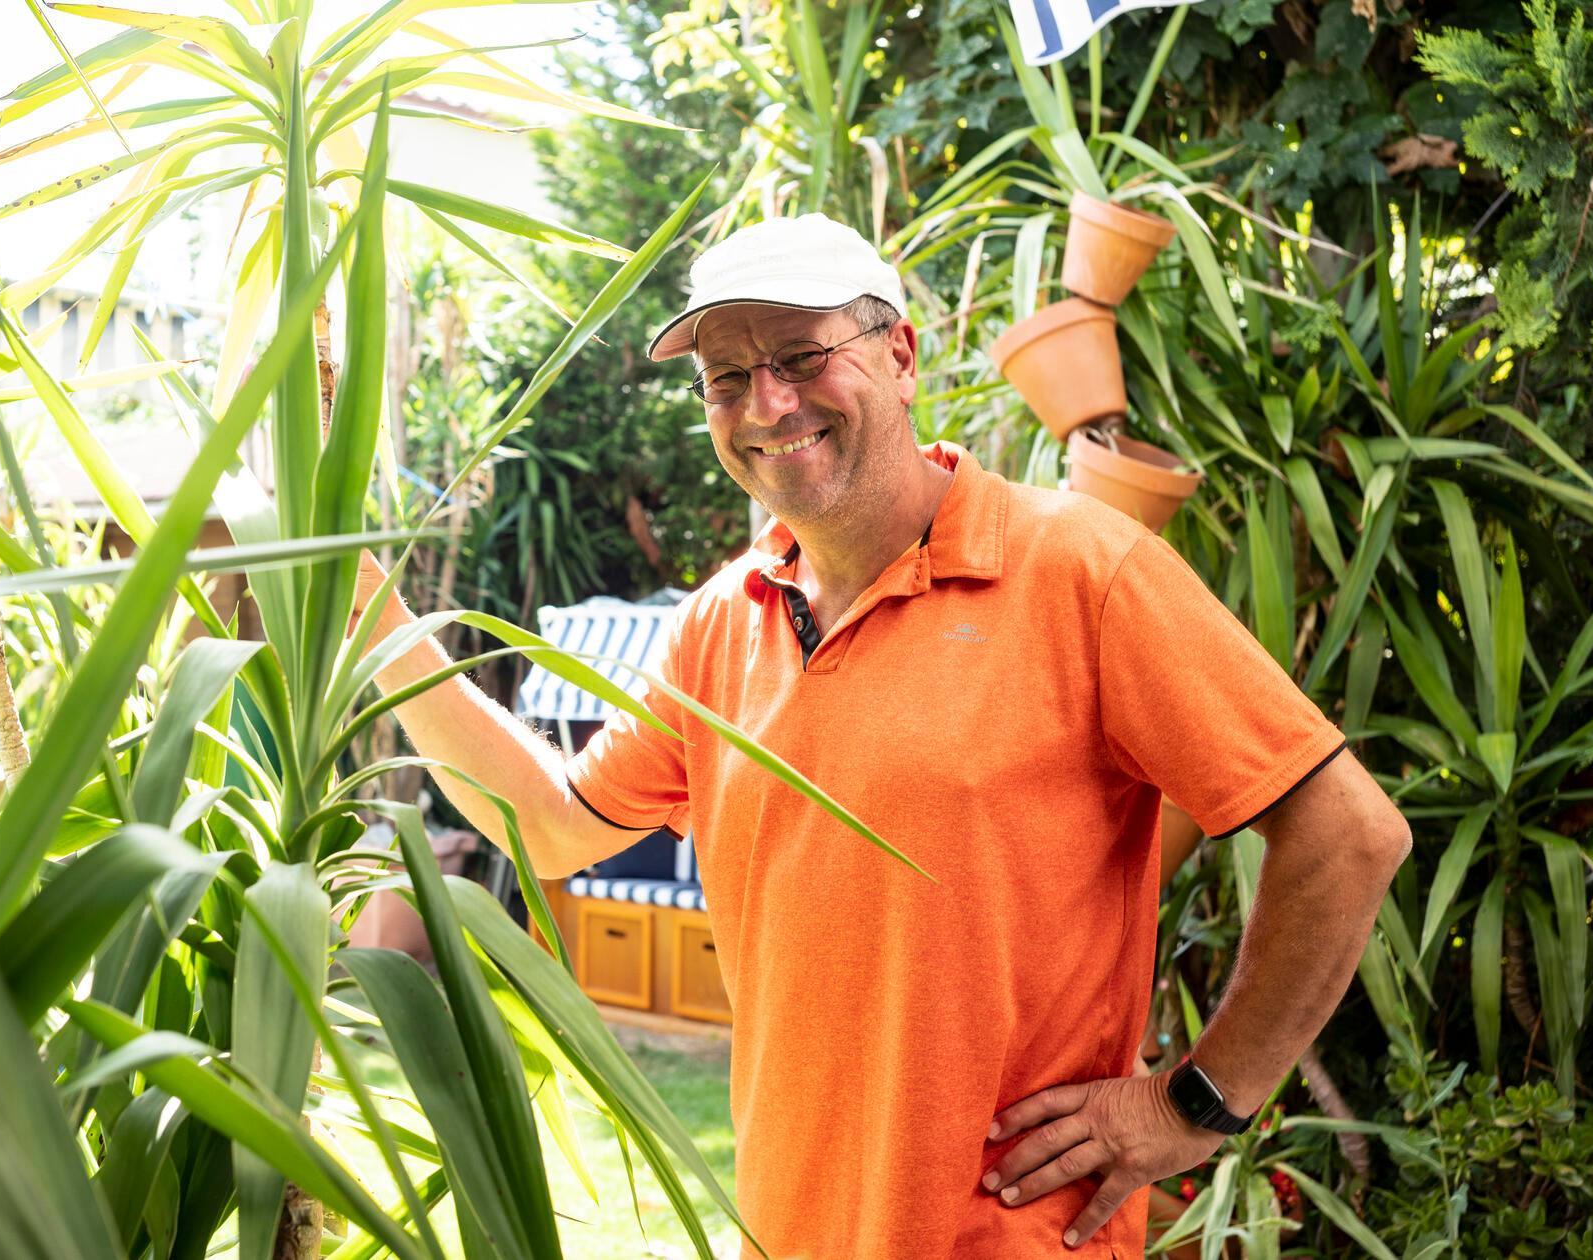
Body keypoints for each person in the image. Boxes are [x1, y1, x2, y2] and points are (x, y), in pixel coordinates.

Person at [349, 213, 1410, 1257]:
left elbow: (1348, 834)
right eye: (726, 378)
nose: (765, 403)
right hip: (788, 1227)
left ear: (899, 356)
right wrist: (368, 617)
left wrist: (1193, 1102)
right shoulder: (723, 622)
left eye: (802, 357)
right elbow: (548, 826)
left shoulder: (1079, 568)